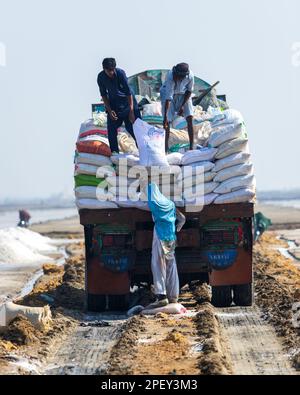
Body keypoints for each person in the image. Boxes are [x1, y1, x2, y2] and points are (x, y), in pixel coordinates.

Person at [146, 182, 186, 309]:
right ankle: (173, 296)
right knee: (170, 265)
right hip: (170, 236)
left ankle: (161, 296)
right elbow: (182, 218)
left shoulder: (154, 204)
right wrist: (177, 228)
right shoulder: (170, 204)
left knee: (157, 264)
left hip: (159, 236)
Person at [97, 58, 141, 153]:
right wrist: (109, 110)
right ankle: (114, 154)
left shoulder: (120, 74)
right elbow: (104, 95)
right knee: (111, 130)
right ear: (104, 69)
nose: (111, 72)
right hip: (114, 105)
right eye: (109, 70)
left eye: (113, 70)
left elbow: (128, 93)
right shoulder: (101, 77)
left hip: (127, 103)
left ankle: (143, 152)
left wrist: (131, 111)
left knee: (134, 129)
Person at [160, 63, 195, 152]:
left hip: (183, 95)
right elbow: (168, 99)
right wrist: (165, 118)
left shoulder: (190, 76)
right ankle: (165, 149)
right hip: (168, 94)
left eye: (178, 76)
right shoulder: (170, 77)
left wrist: (182, 106)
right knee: (167, 121)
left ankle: (191, 148)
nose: (176, 77)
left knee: (190, 117)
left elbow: (189, 91)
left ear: (183, 76)